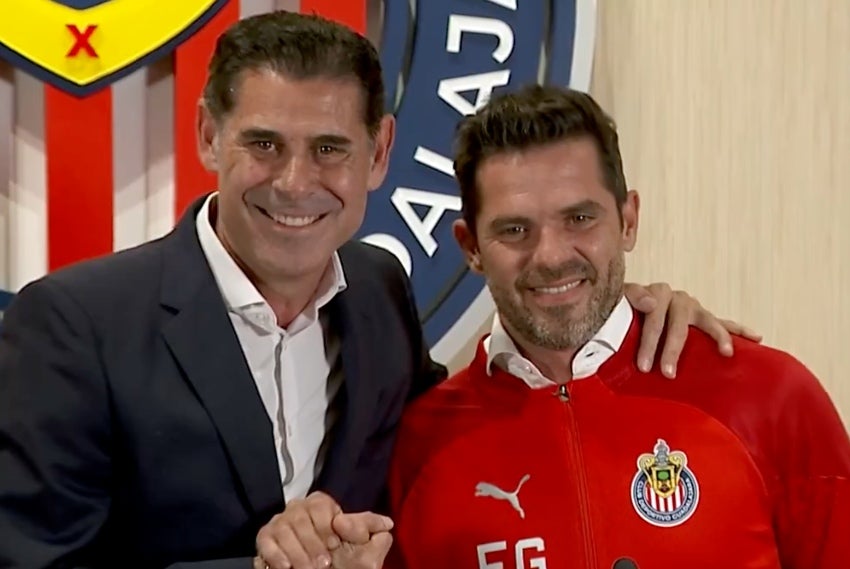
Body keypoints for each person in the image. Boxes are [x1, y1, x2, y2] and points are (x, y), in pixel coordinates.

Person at [0, 12, 755, 569]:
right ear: (207, 136)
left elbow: (466, 426)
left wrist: (619, 320)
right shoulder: (73, 324)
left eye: (330, 148)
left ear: (381, 152)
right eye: (264, 144)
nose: (295, 181)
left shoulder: (378, 293)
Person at [384, 85, 850, 569]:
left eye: (579, 218)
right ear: (471, 248)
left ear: (628, 221)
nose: (551, 256)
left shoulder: (770, 397)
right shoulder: (417, 447)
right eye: (515, 230)